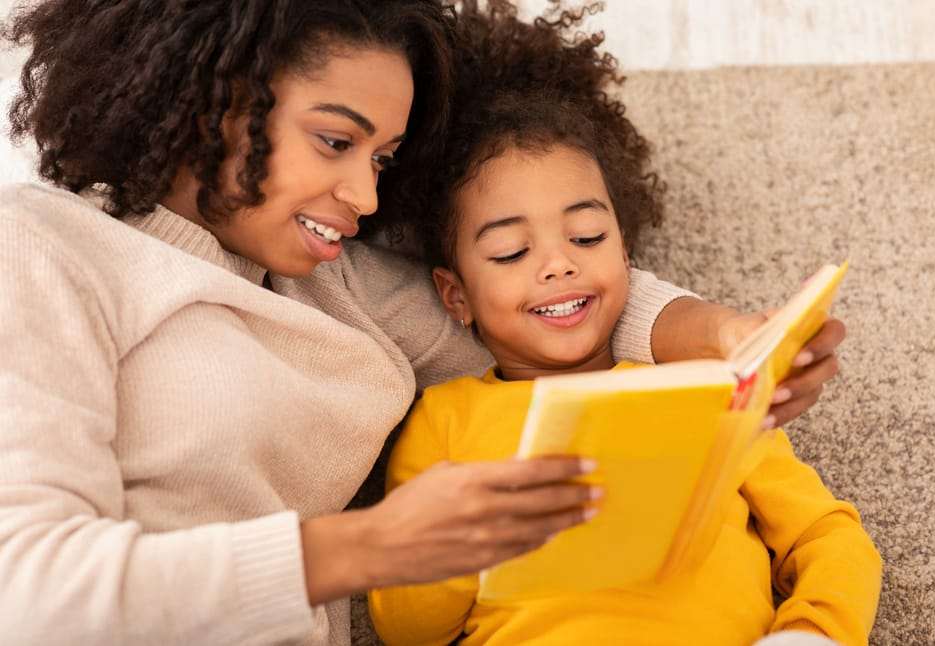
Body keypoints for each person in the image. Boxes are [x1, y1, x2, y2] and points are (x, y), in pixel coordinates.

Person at [0, 1, 844, 645]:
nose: (365, 200)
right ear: (209, 100)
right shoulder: (45, 247)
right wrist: (368, 548)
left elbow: (541, 313)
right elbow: (28, 595)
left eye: (382, 160)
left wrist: (732, 340)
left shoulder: (343, 286)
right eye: (335, 141)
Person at [367, 8, 881, 646]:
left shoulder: (706, 388)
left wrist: (812, 631)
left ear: (627, 256)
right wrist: (450, 539)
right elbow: (406, 629)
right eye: (510, 253)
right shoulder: (446, 419)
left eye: (587, 236)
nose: (559, 263)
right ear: (455, 295)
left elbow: (827, 534)